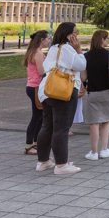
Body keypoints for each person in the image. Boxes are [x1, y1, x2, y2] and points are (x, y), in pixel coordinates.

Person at [37, 22, 86, 174]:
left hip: (47, 90)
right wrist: (78, 49)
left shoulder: (53, 48)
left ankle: (43, 161)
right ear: (69, 35)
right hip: (62, 91)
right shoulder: (67, 49)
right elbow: (81, 65)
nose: (77, 36)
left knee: (47, 126)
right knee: (62, 128)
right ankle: (61, 165)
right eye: (75, 33)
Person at [81, 30, 109, 160]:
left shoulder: (87, 56)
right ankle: (104, 149)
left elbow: (83, 76)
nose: (108, 40)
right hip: (108, 91)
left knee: (94, 123)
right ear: (102, 39)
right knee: (106, 121)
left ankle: (94, 152)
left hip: (93, 91)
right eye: (107, 38)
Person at [22, 29, 48, 156]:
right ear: (42, 40)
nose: (49, 41)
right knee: (37, 117)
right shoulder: (37, 53)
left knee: (40, 116)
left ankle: (37, 143)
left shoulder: (33, 51)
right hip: (36, 87)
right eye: (48, 38)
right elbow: (41, 72)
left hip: (33, 87)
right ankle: (28, 145)